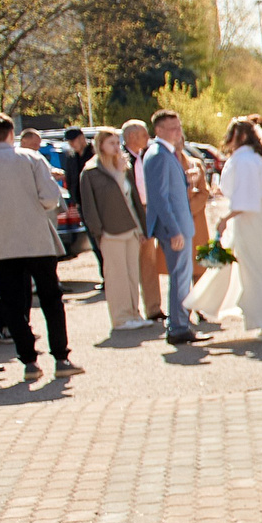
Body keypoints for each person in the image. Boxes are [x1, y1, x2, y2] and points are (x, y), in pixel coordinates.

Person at [0, 112, 80, 378]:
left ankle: (29, 361)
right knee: (51, 299)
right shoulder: (30, 158)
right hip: (37, 240)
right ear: (10, 134)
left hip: (0, 243)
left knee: (13, 304)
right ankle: (61, 358)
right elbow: (52, 198)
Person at [198, 117, 262, 339]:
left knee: (253, 269)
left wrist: (226, 218)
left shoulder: (242, 160)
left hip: (249, 218)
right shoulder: (257, 157)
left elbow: (246, 199)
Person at [80, 128, 151, 331]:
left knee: (131, 274)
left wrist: (142, 229)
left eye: (116, 142)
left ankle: (134, 313)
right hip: (110, 232)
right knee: (116, 275)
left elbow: (133, 199)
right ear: (100, 144)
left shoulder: (124, 166)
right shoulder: (91, 171)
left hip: (131, 229)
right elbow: (89, 206)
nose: (116, 147)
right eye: (110, 143)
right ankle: (120, 318)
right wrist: (98, 232)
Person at [142, 110, 199, 346]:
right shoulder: (158, 154)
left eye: (179, 126)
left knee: (182, 276)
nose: (179, 131)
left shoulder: (166, 153)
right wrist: (174, 230)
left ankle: (181, 323)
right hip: (174, 228)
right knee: (179, 277)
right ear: (159, 130)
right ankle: (178, 326)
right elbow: (159, 198)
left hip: (180, 224)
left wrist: (186, 180)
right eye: (173, 127)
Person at [121, 119, 164, 318]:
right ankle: (131, 310)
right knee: (130, 264)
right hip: (130, 214)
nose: (148, 138)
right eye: (144, 134)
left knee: (149, 262)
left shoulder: (147, 156)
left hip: (149, 210)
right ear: (131, 137)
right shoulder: (120, 159)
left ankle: (153, 308)